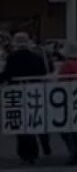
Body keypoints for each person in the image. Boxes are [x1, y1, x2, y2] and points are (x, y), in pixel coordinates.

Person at [0, 33, 49, 164]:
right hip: (35, 92)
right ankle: (41, 148)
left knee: (21, 125)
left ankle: (26, 153)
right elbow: (43, 73)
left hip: (17, 93)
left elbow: (7, 74)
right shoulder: (36, 57)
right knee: (36, 120)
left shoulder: (13, 58)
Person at [55, 41, 77, 165]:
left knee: (65, 128)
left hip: (68, 98)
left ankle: (73, 151)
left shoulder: (65, 66)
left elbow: (61, 82)